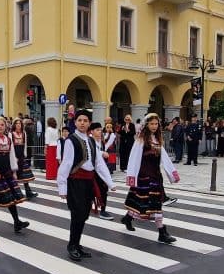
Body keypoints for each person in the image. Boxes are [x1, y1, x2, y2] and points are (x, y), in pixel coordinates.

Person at [56, 109, 115, 261]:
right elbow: (66, 164)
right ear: (75, 122)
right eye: (80, 120)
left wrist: (110, 182)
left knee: (83, 214)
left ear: (89, 123)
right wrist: (62, 186)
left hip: (89, 182)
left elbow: (99, 163)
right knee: (77, 214)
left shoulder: (91, 141)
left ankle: (77, 244)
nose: (82, 123)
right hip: (76, 182)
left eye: (85, 120)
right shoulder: (71, 140)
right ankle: (72, 245)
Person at [121, 113, 179, 243]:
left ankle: (128, 218)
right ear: (146, 125)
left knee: (152, 203)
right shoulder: (141, 140)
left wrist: (172, 173)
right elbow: (134, 159)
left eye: (156, 124)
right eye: (151, 124)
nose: (154, 126)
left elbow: (164, 158)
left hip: (156, 177)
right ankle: (162, 232)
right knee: (146, 203)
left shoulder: (157, 139)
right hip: (144, 177)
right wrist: (132, 176)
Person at [89, 122, 115, 219]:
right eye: (97, 130)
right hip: (91, 170)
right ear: (92, 131)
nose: (99, 132)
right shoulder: (89, 141)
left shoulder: (101, 141)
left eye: (100, 130)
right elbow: (91, 152)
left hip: (100, 169)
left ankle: (103, 211)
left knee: (103, 190)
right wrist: (102, 153)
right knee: (91, 190)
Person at [10, 118, 37, 200]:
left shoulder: (24, 133)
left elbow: (25, 145)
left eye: (20, 123)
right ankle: (16, 193)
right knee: (14, 176)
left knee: (24, 176)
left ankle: (28, 192)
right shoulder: (11, 134)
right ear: (14, 125)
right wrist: (13, 157)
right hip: (15, 156)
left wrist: (24, 155)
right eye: (16, 123)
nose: (18, 125)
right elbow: (11, 147)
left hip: (21, 156)